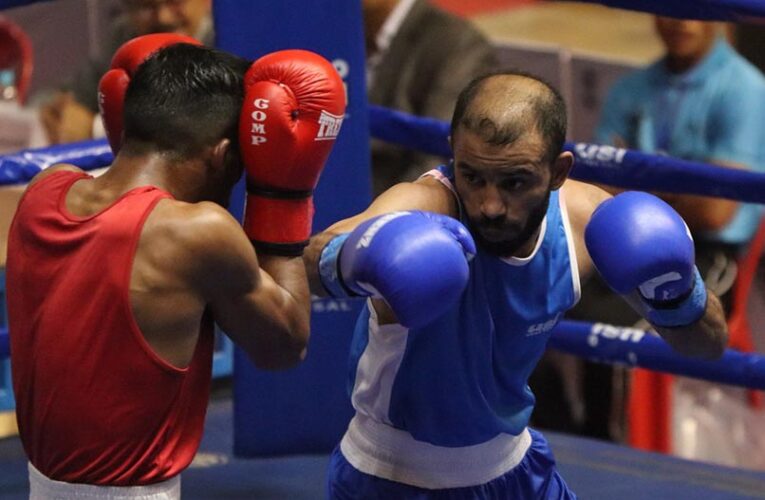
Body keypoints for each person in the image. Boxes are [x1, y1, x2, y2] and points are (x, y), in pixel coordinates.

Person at [304, 70, 728, 498]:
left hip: (517, 469)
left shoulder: (586, 221)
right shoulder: (424, 207)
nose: (489, 204)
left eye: (515, 182)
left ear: (558, 171)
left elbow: (706, 346)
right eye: (473, 176)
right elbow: (314, 259)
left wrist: (677, 293)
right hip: (393, 480)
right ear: (453, 152)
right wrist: (361, 254)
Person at [6, 35, 345, 497]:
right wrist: (283, 193)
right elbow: (283, 346)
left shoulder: (44, 191)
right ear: (223, 155)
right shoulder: (195, 232)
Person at [363, 0, 498, 195]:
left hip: (395, 211)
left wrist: (371, 220)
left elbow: (438, 164)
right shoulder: (330, 32)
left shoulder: (457, 44)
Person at [39, 0, 213, 145]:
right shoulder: (125, 34)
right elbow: (79, 87)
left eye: (174, 1)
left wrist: (93, 127)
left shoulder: (230, 35)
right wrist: (60, 107)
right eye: (146, 6)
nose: (163, 17)